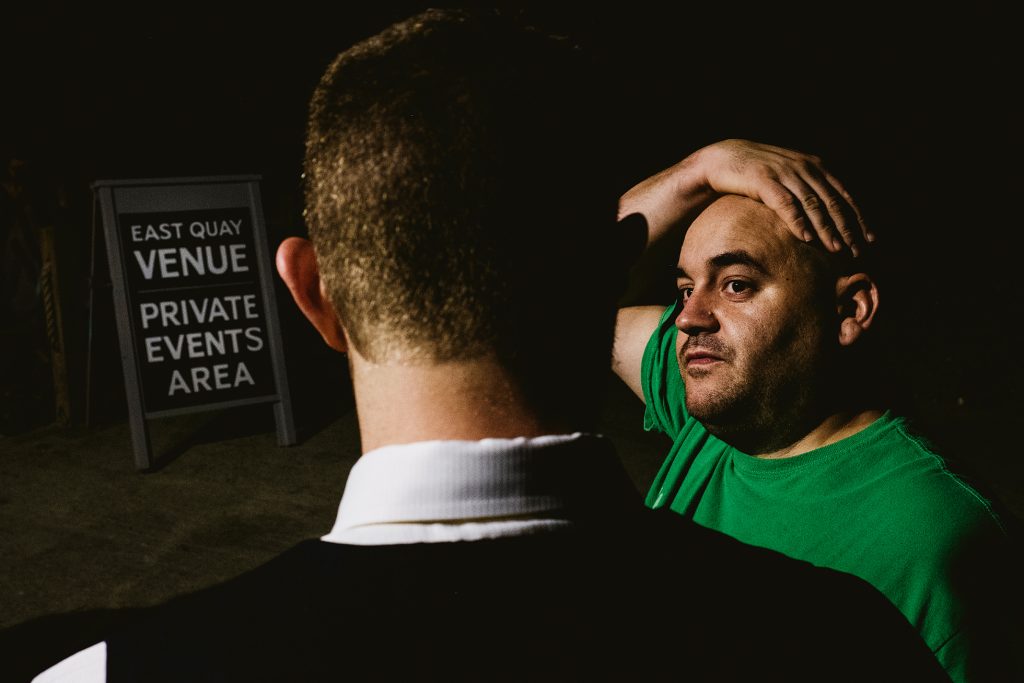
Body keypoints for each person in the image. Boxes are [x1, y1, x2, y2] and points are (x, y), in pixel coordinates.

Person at [27, 9, 948, 682]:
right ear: (616, 277)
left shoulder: (110, 674)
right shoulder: (844, 641)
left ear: (314, 293)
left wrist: (696, 171)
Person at [612, 149, 1024, 681]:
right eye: (686, 288)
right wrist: (700, 170)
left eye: (736, 284)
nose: (689, 317)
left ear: (849, 311)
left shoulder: (936, 542)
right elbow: (549, 304)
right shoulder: (714, 409)